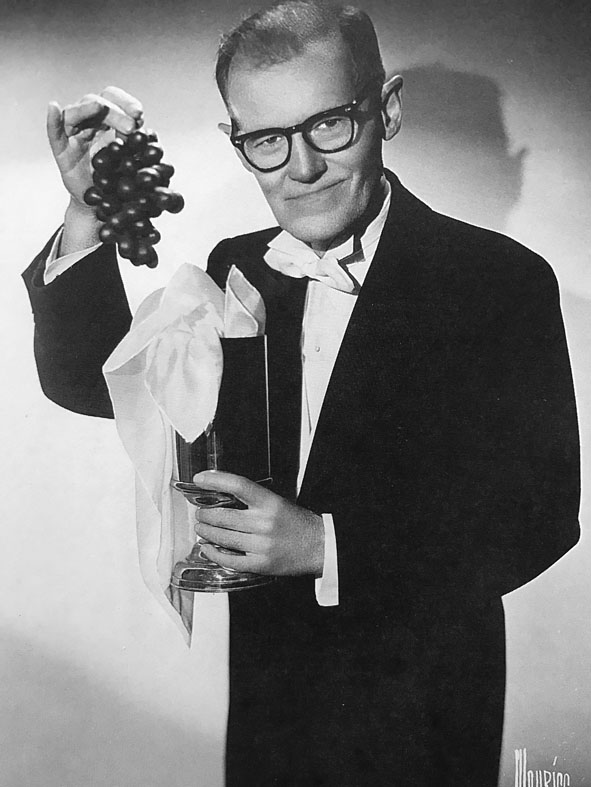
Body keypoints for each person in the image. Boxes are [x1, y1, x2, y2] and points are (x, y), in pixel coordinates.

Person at [23, 1, 580, 784]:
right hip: (271, 712)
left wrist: (324, 546)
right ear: (237, 141)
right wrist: (87, 208)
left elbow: (540, 517)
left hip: (423, 721)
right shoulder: (237, 267)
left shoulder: (501, 281)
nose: (301, 167)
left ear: (385, 110)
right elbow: (97, 380)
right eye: (267, 139)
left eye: (328, 125)